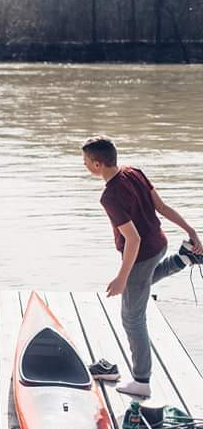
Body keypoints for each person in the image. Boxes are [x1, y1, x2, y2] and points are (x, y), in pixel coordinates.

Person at [82, 136, 203, 397]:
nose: (85, 165)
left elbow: (132, 240)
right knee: (143, 282)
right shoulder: (134, 172)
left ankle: (141, 380)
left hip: (142, 253)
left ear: (97, 164)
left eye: (85, 161)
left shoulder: (110, 196)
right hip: (159, 244)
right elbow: (161, 206)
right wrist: (191, 230)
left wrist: (121, 277)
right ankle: (184, 258)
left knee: (132, 318)